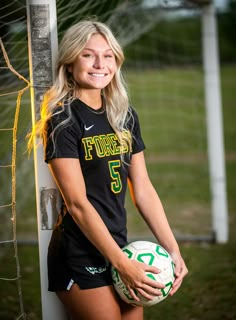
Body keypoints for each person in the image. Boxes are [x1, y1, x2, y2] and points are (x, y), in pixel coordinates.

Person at [28, 20, 188, 320]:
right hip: (79, 253)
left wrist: (172, 249)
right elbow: (77, 204)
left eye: (108, 55)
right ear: (71, 61)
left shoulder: (124, 114)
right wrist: (121, 264)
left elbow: (143, 189)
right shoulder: (63, 119)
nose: (100, 63)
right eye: (88, 55)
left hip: (119, 245)